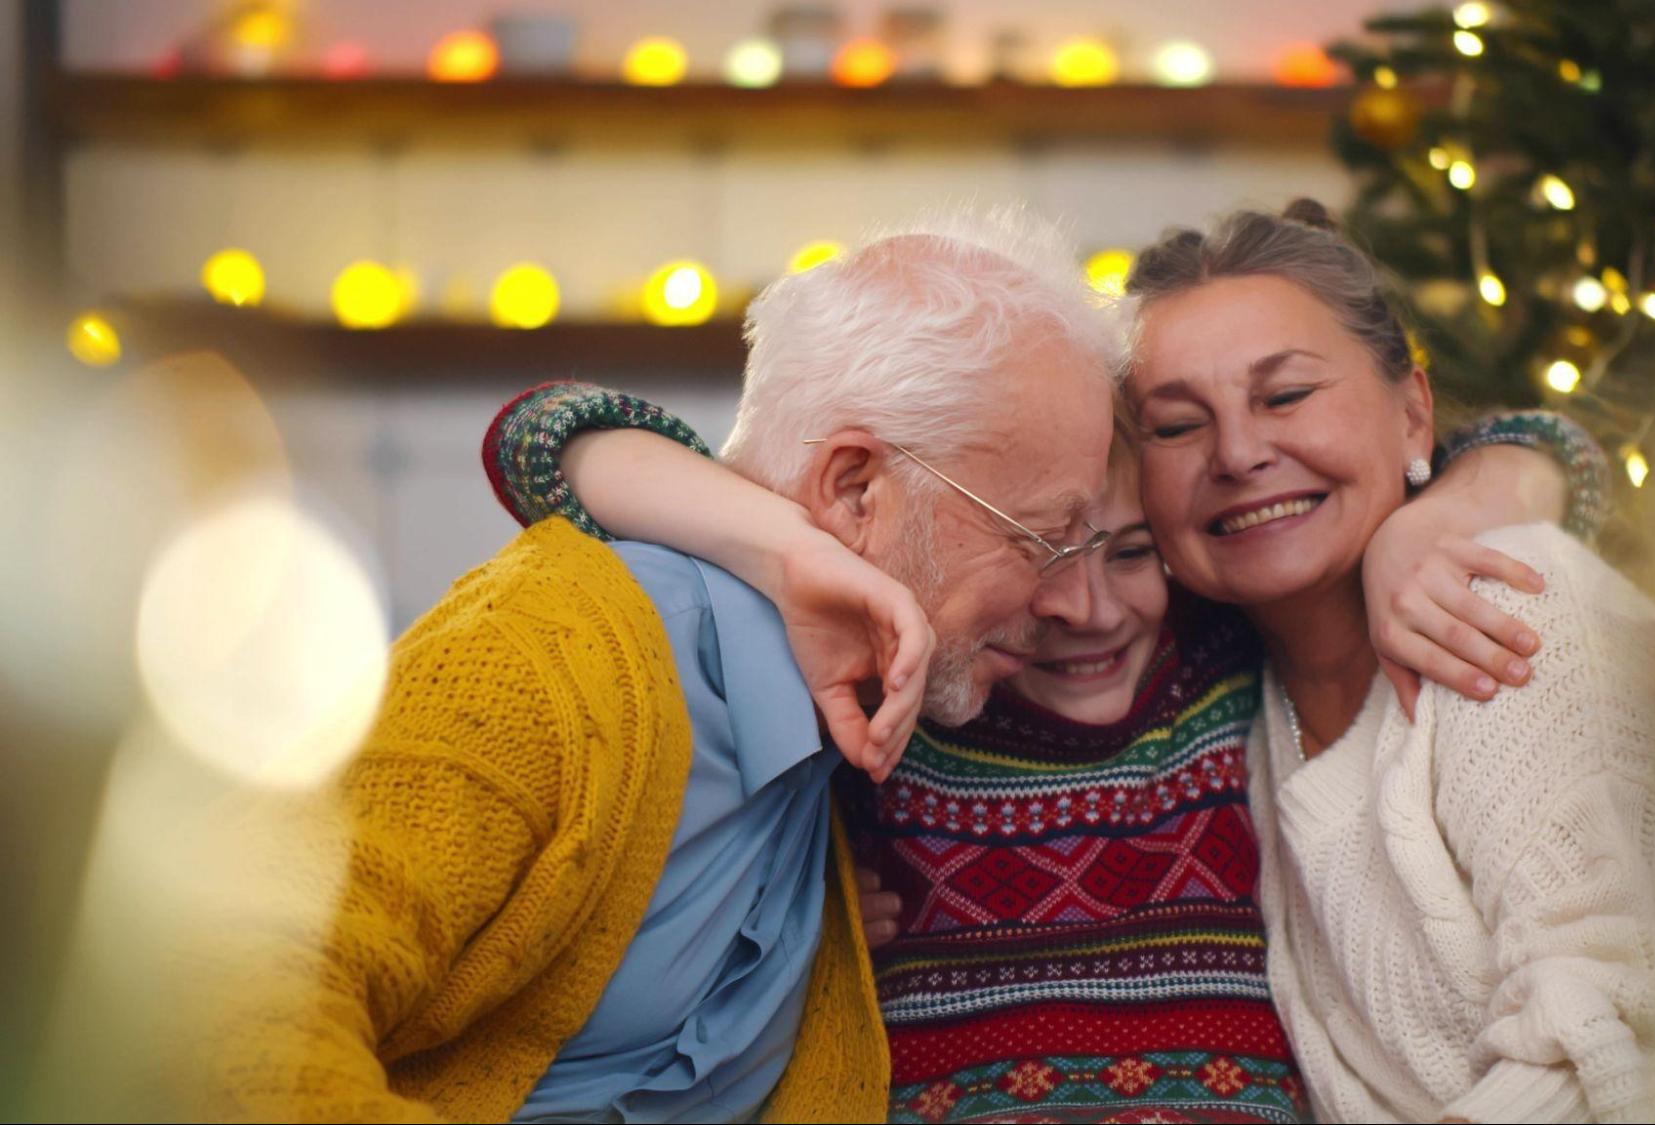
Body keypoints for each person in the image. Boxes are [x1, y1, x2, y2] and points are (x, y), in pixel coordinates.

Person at [171, 206, 1133, 1123]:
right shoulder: (545, 662)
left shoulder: (878, 721)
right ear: (853, 489)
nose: (1078, 604)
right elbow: (207, 1001)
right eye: (1041, 539)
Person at [483, 353, 1602, 1118]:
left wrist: (1426, 524)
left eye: (1130, 553)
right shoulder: (909, 677)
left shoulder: (1216, 653)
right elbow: (544, 432)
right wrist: (793, 548)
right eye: (1037, 553)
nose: (1085, 609)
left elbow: (1545, 441)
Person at [1124, 199, 1655, 1121]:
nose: (1238, 452)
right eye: (1177, 425)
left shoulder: (1509, 603)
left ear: (1413, 415)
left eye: (1285, 395)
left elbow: (1624, 1035)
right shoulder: (1223, 709)